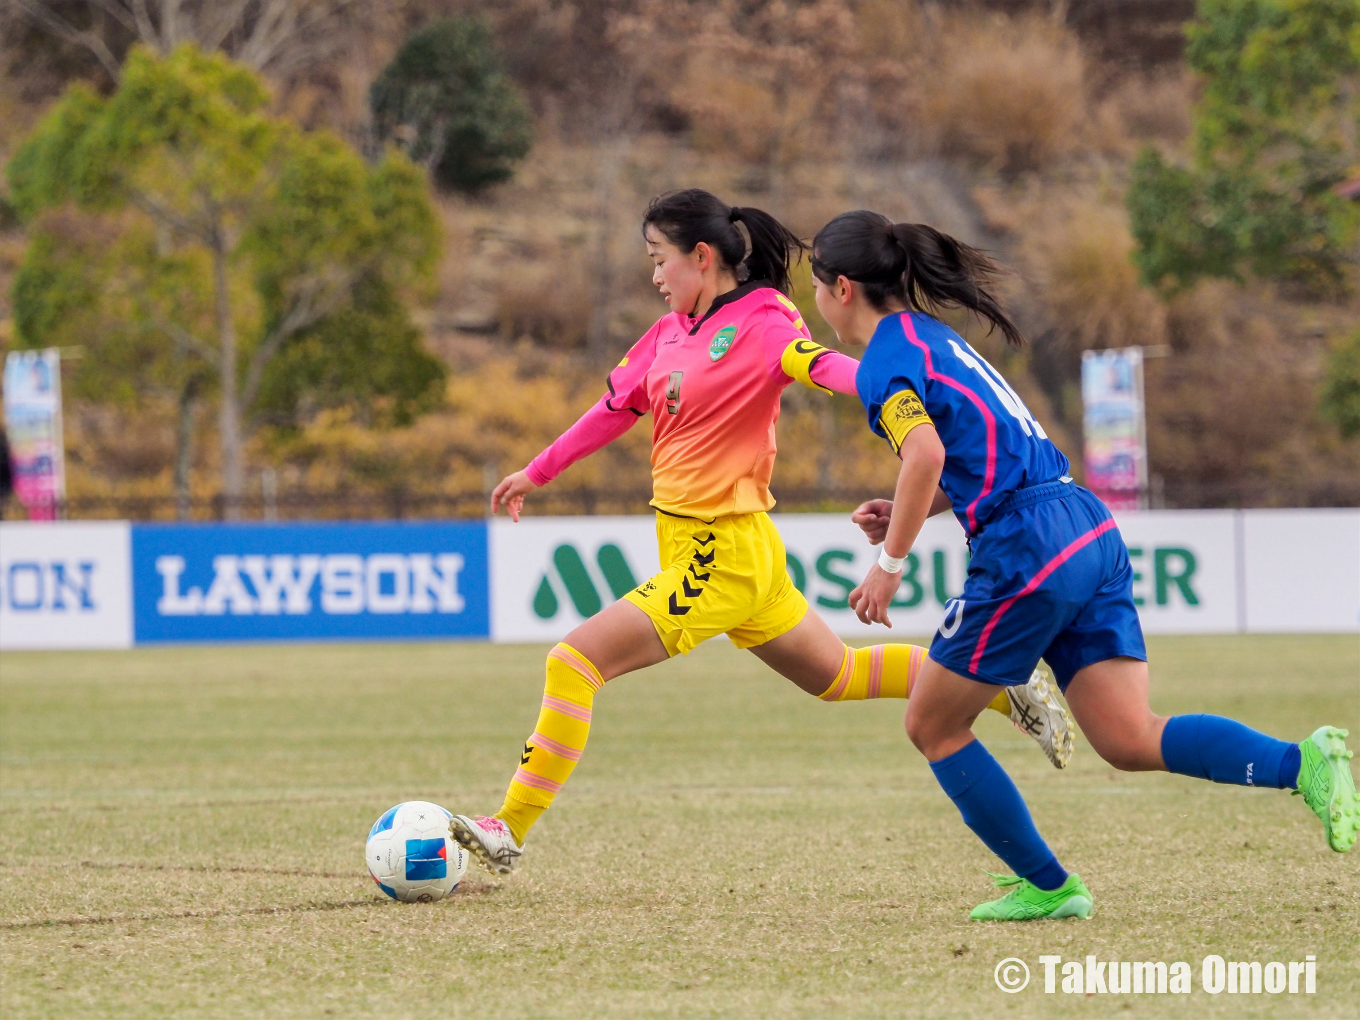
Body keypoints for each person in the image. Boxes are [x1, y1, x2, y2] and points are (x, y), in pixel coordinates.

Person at [450, 190, 1074, 875]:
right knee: (838, 675)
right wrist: (535, 473)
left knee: (573, 662)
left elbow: (823, 366)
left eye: (659, 260)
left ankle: (508, 827)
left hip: (720, 554)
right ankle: (997, 682)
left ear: (702, 256)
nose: (654, 276)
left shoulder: (763, 320)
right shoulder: (665, 334)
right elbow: (613, 408)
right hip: (730, 551)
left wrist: (896, 387)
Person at [808, 209, 1359, 921]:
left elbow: (926, 453)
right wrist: (913, 507)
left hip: (1026, 547)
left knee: (932, 726)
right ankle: (1304, 763)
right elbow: (975, 454)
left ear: (841, 288)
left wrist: (889, 561)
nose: (814, 298)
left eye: (816, 284)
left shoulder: (883, 361)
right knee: (1130, 737)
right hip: (1083, 525)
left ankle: (1050, 885)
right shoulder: (931, 337)